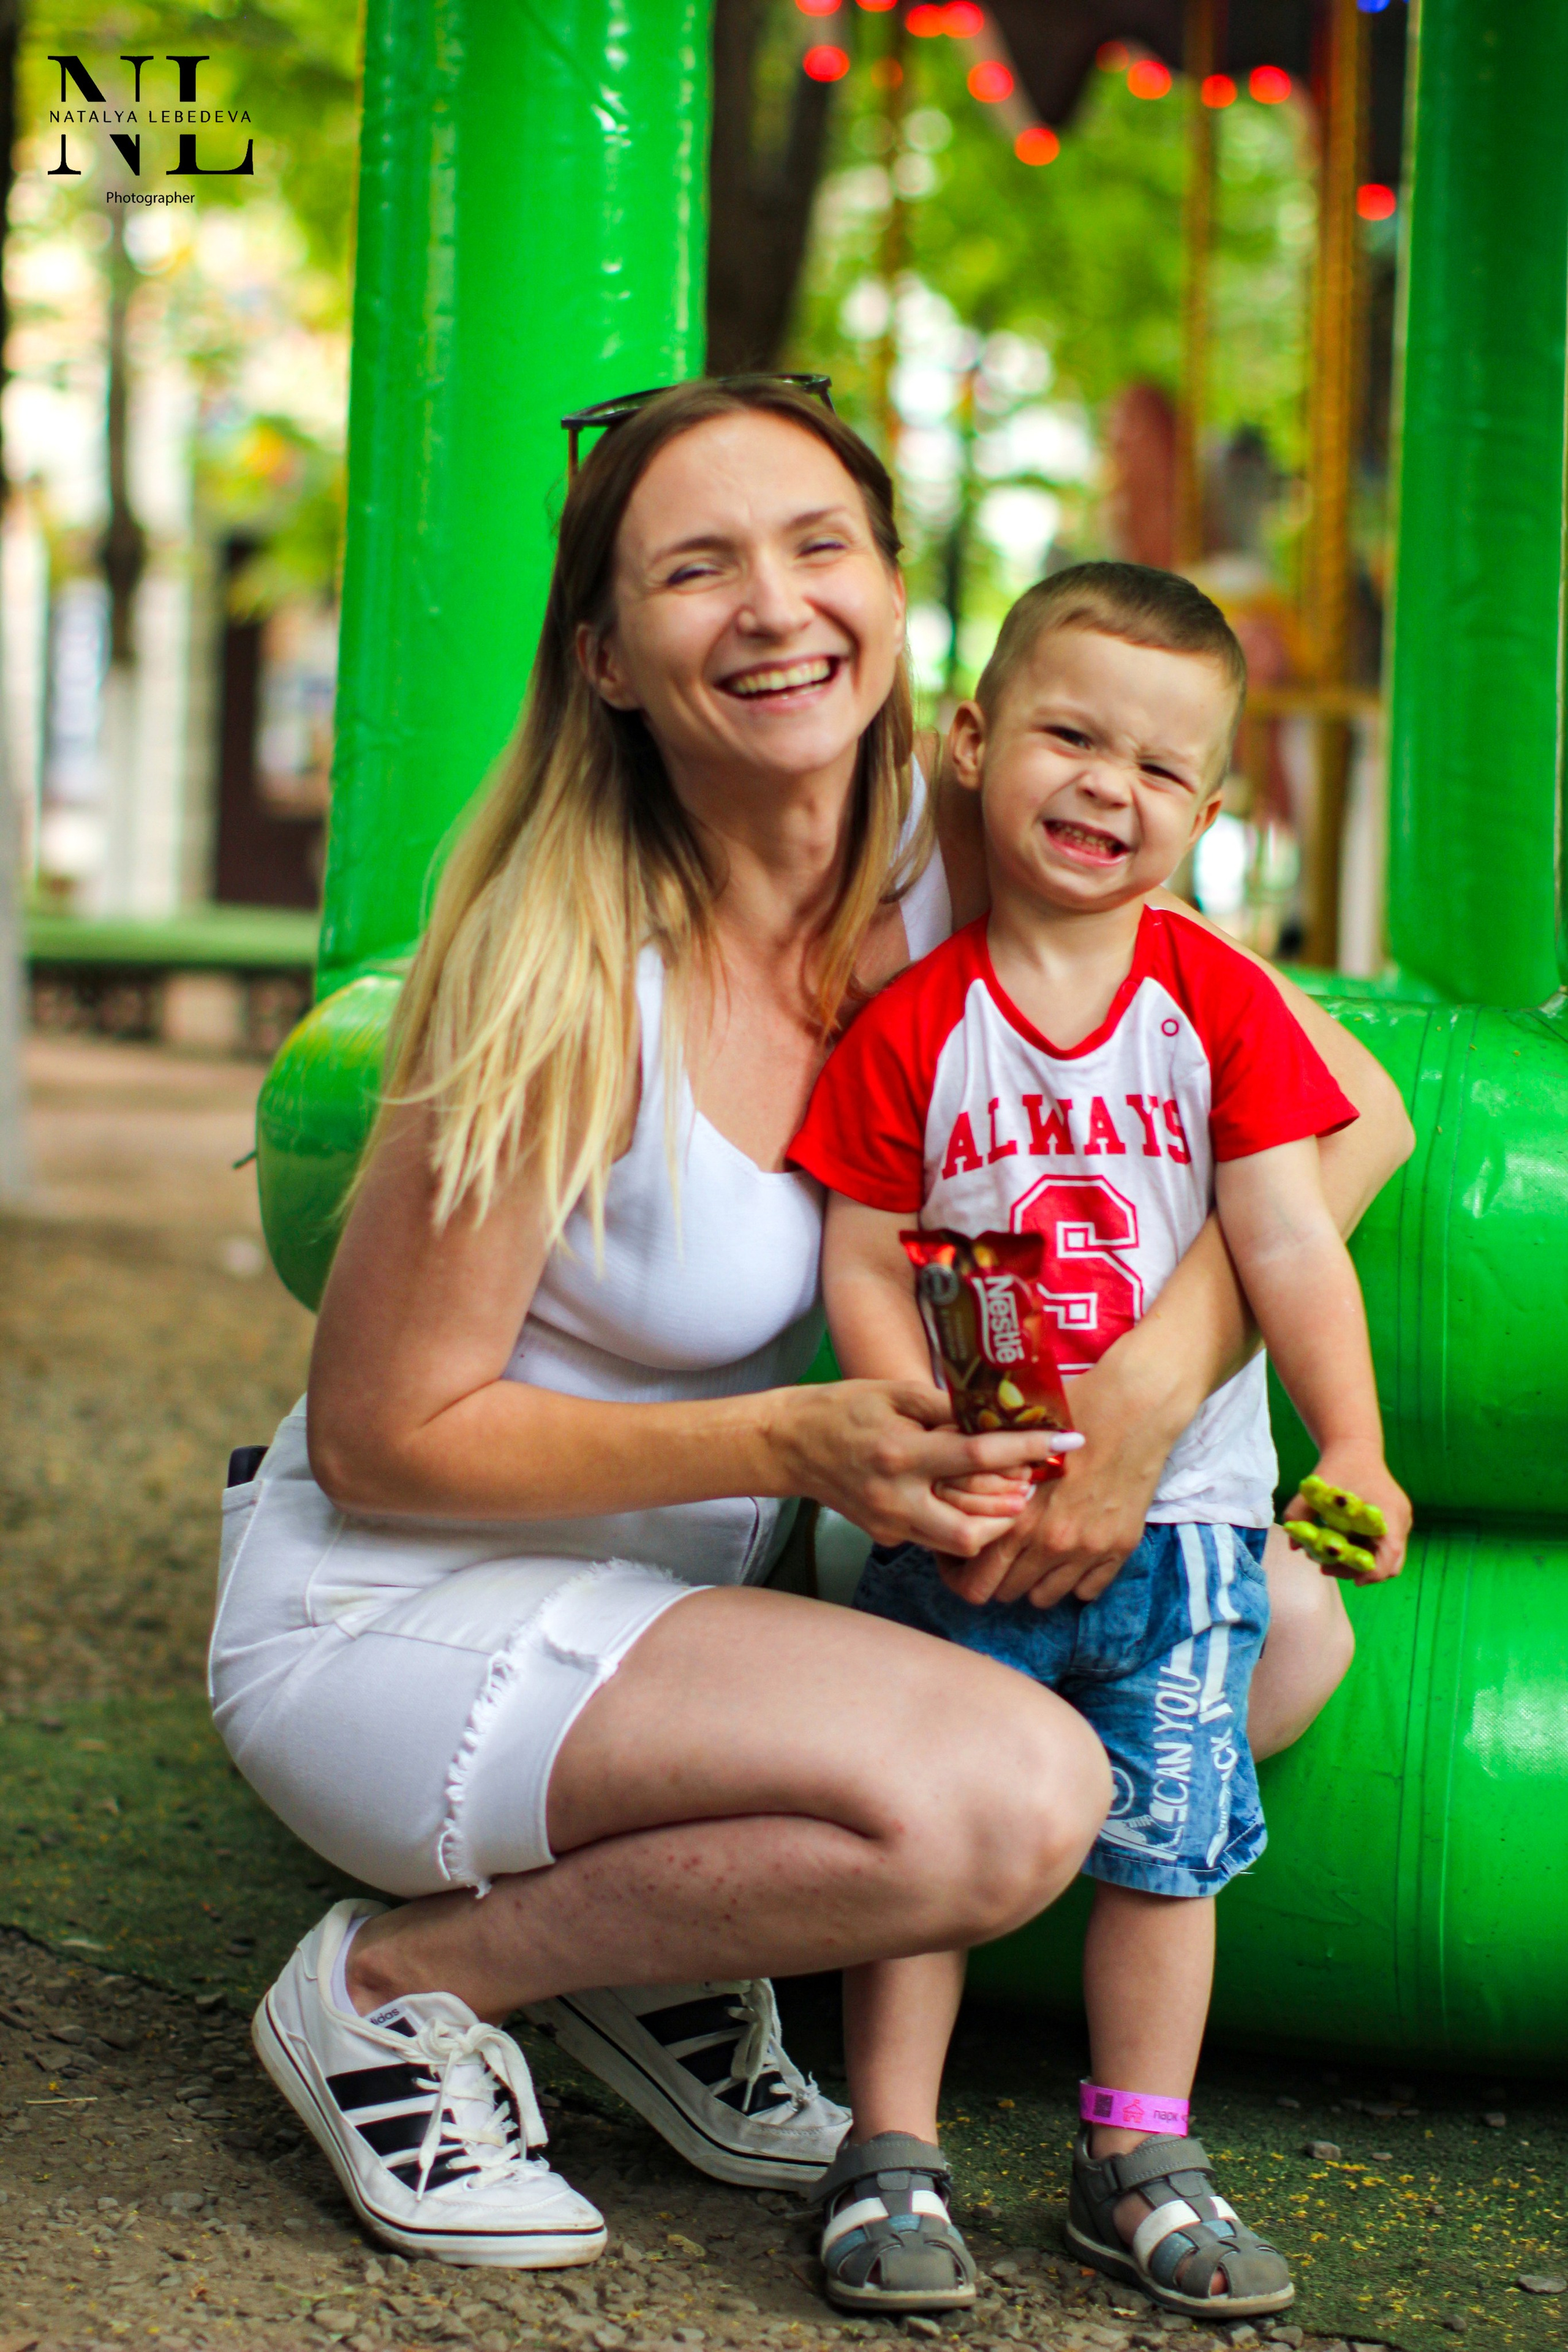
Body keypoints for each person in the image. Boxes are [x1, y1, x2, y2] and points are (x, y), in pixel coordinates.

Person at [211, 384, 1412, 2279]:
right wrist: (789, 1443)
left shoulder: (971, 859)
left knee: (1284, 1632)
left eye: (818, 545)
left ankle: (644, 1959)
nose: (775, 606)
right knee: (1020, 1789)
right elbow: (383, 1435)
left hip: (695, 1611)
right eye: (699, 569)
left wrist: (1135, 1408)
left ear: (891, 605)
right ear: (607, 658)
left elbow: (1354, 1118)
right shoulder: (553, 967)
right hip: (412, 1605)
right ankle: (397, 1986)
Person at [790, 562, 1411, 2322]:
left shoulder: (1213, 1008)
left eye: (1158, 769)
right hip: (970, 1512)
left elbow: (1287, 1239)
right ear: (975, 742)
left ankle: (1137, 2149)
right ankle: (889, 2147)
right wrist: (917, 1438)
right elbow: (861, 1249)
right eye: (1069, 736)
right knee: (928, 1835)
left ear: (1208, 813)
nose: (1105, 790)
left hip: (1195, 1530)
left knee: (1167, 1851)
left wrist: (1350, 1444)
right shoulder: (918, 1021)